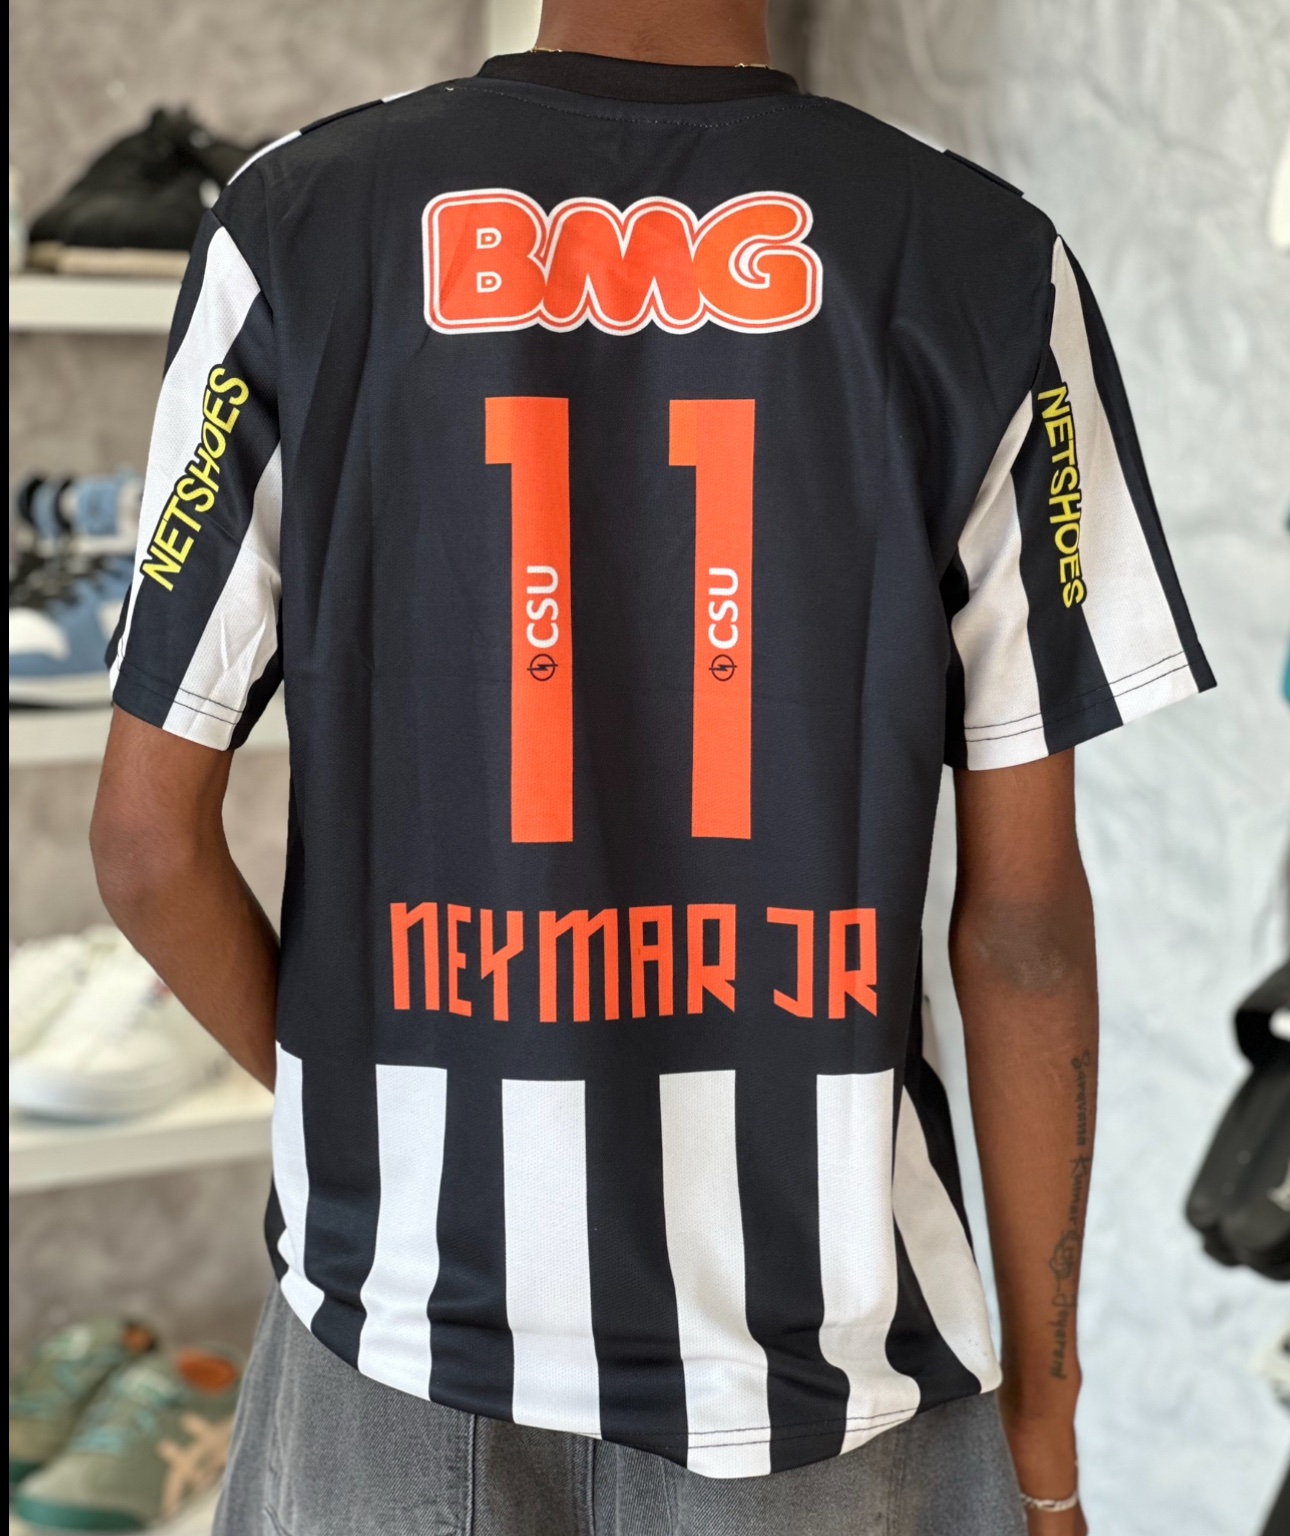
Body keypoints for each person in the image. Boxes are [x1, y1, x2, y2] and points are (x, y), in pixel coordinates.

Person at [89, 2, 1213, 1532]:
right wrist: (1048, 1424)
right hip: (828, 1361)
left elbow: (146, 849)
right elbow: (1022, 938)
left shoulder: (295, 222)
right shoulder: (983, 257)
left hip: (398, 1329)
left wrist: (373, 1131)